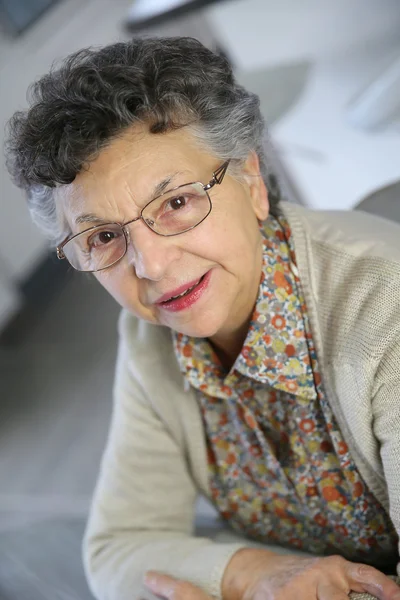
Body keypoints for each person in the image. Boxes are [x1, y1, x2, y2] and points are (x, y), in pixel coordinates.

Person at [5, 37, 400, 600]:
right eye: (105, 237)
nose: (153, 267)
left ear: (251, 181)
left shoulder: (387, 307)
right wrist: (254, 577)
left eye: (177, 202)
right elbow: (118, 545)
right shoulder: (148, 334)